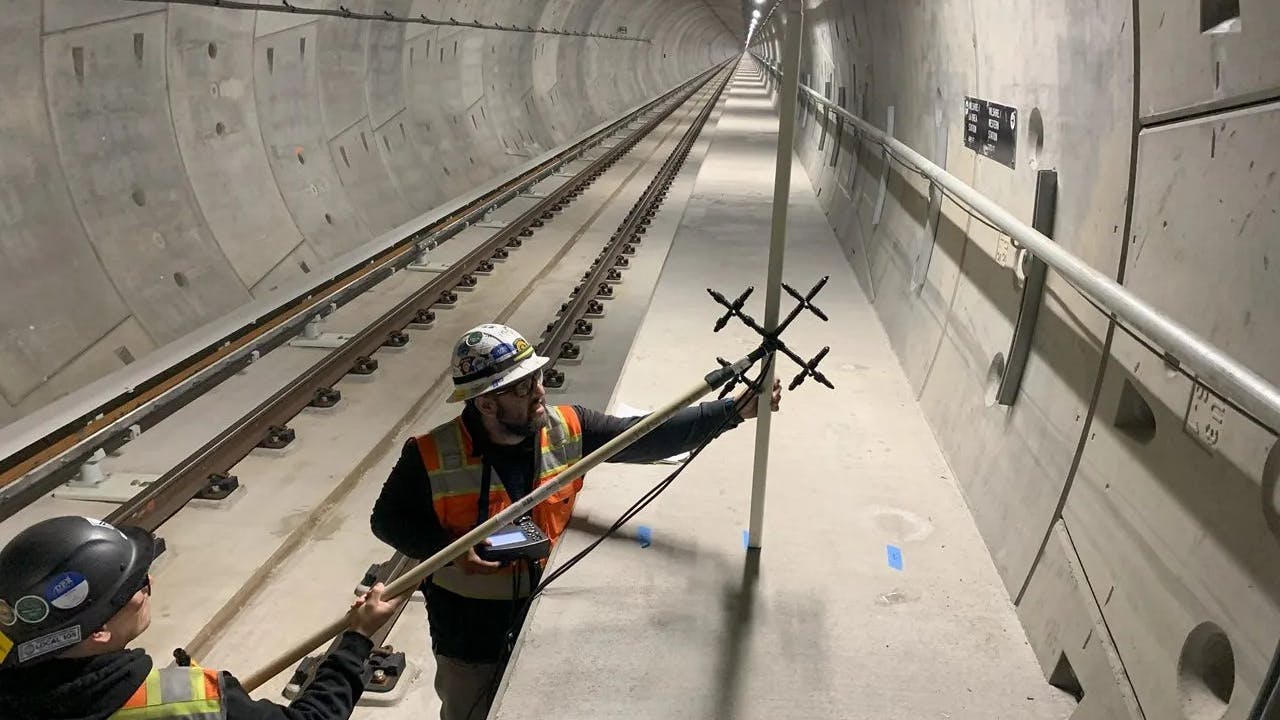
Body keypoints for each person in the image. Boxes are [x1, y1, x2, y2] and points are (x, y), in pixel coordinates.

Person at [370, 323, 781, 720]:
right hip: (468, 632)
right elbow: (386, 521)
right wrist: (450, 554)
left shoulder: (567, 425)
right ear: (486, 403)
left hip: (543, 609)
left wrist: (732, 410)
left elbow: (644, 435)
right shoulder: (429, 455)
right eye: (522, 386)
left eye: (537, 377)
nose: (539, 392)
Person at [0, 515, 406, 720]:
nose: (148, 584)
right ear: (100, 631)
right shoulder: (191, 702)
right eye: (137, 587)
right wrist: (356, 640)